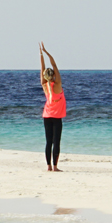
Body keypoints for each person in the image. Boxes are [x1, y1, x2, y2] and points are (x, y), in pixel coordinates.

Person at [38, 43, 66, 171]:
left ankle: (49, 166)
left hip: (46, 116)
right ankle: (55, 166)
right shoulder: (58, 84)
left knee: (48, 141)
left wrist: (41, 55)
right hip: (57, 117)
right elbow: (54, 65)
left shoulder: (44, 85)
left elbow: (42, 68)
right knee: (56, 142)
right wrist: (47, 52)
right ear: (53, 75)